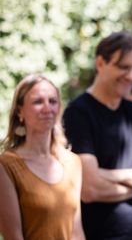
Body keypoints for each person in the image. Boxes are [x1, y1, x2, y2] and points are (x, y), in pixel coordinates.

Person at [63, 32, 132, 239]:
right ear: (101, 62)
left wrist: (106, 174)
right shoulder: (78, 112)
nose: (131, 76)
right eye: (123, 67)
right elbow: (90, 188)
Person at [0, 74, 85, 240]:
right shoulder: (7, 165)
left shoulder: (72, 162)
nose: (47, 109)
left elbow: (77, 232)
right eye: (38, 102)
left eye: (53, 101)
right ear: (19, 111)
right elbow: (14, 236)